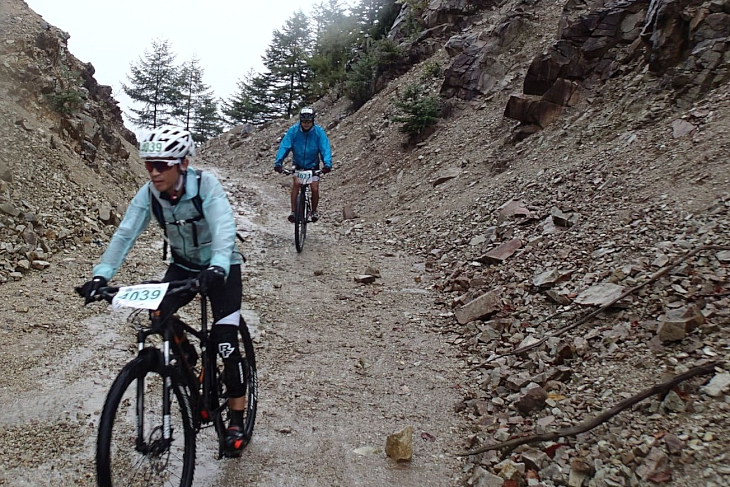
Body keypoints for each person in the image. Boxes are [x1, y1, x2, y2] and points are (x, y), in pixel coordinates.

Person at [79, 125, 249, 457]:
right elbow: (126, 232)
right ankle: (188, 364)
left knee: (226, 343)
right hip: (184, 265)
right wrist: (101, 276)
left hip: (222, 266)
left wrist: (217, 266)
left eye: (162, 165)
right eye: (149, 165)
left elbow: (224, 225)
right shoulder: (149, 195)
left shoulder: (205, 187)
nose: (154, 172)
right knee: (158, 314)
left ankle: (237, 419)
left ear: (183, 164)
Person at [274, 107, 333, 223]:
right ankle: (293, 212)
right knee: (296, 183)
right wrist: (278, 162)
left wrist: (327, 164)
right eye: (304, 121)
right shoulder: (293, 131)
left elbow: (325, 148)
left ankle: (314, 211)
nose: (306, 124)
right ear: (300, 121)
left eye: (309, 122)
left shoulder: (318, 132)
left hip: (313, 165)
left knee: (314, 188)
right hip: (299, 163)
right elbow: (285, 146)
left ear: (313, 121)